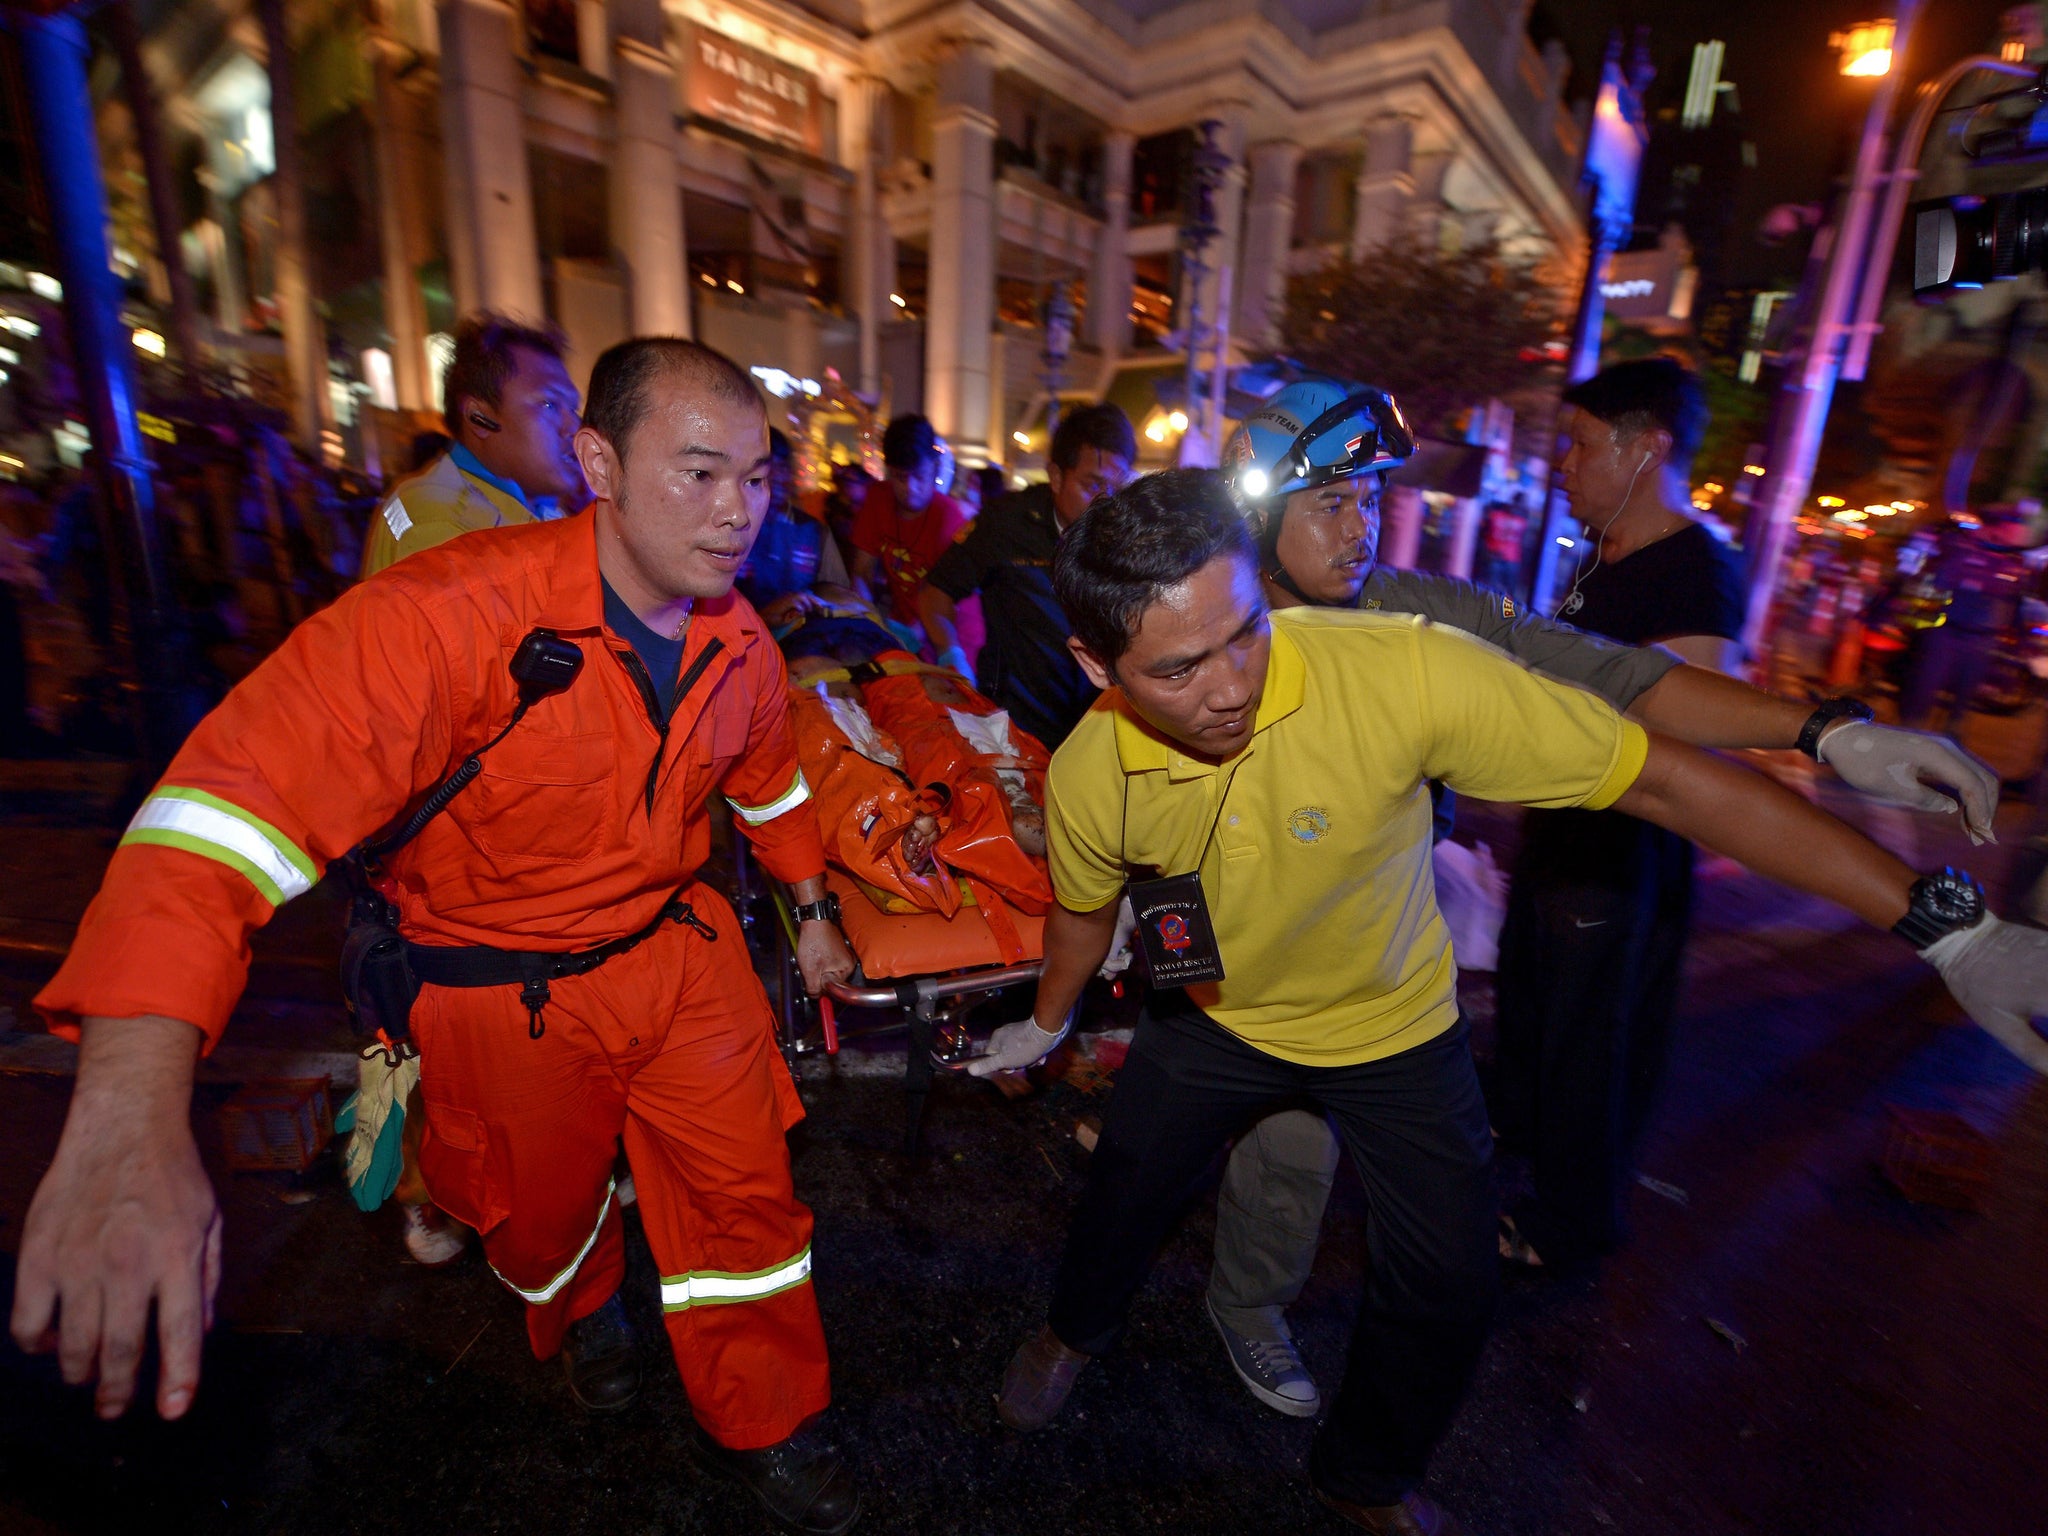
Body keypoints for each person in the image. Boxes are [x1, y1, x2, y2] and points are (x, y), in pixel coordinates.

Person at [977, 468, 2048, 1534]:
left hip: (1391, 1030)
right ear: (1094, 664)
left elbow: (1662, 780)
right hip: (1210, 1024)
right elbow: (1083, 912)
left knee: (1445, 1288)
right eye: (1175, 667)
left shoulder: (1401, 672)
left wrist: (1944, 927)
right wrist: (1048, 1015)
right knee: (1121, 1195)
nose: (1227, 688)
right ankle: (1071, 1333)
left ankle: (1361, 1479)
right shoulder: (1087, 772)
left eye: (1244, 633)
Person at [10, 339, 865, 1536]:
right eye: (701, 473)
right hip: (501, 1005)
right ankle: (585, 1317)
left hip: (684, 967)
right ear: (599, 462)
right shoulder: (447, 617)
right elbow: (220, 812)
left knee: (751, 1221)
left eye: (760, 477)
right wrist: (126, 1103)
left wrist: (812, 910)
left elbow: (766, 788)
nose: (739, 515)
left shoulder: (743, 645)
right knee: (542, 1219)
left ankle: (768, 1421)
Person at [1190, 375, 1999, 1419]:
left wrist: (1828, 732)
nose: (1365, 526)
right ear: (1259, 513)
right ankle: (1220, 1311)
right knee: (1265, 1167)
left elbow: (1611, 678)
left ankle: (1374, 1462)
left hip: (1391, 979)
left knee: (1441, 1242)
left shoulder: (1414, 611)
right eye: (1332, 502)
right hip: (1256, 974)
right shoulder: (1209, 627)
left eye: (1374, 495)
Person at [1489, 358, 1747, 1271]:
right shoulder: (1601, 558)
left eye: (1584, 443)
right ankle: (1512, 1160)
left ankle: (1573, 1227)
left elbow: (1686, 720)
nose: (1566, 463)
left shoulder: (1695, 573)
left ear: (1650, 449)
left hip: (1623, 851)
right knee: (1531, 1011)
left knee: (1590, 1045)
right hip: (1563, 836)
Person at [918, 403, 1135, 749]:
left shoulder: (1125, 534)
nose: (1105, 504)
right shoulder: (1006, 523)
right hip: (1014, 725)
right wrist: (951, 656)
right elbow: (935, 595)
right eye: (1092, 486)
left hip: (1098, 727)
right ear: (1056, 476)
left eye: (1116, 489)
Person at [361, 314, 589, 576]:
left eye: (573, 408)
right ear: (479, 419)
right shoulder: (441, 525)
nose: (574, 427)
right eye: (549, 404)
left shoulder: (539, 509)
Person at [1899, 504, 2039, 732]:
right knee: (1925, 690)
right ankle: (1909, 736)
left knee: (1962, 700)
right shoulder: (1964, 550)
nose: (2020, 533)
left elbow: (2016, 605)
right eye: (2015, 526)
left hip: (1982, 641)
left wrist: (2024, 644)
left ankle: (1950, 742)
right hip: (1947, 633)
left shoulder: (2015, 562)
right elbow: (1939, 581)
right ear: (1999, 527)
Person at [848, 414, 974, 649]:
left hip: (953, 635)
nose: (910, 488)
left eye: (919, 476)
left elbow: (946, 599)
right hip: (904, 627)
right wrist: (867, 618)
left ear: (935, 469)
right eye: (900, 477)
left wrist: (911, 637)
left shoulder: (948, 518)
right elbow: (862, 571)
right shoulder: (878, 499)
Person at [736, 428, 851, 620]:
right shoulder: (732, 526)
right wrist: (765, 617)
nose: (778, 477)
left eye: (783, 468)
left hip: (799, 636)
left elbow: (835, 590)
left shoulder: (812, 531)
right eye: (770, 468)